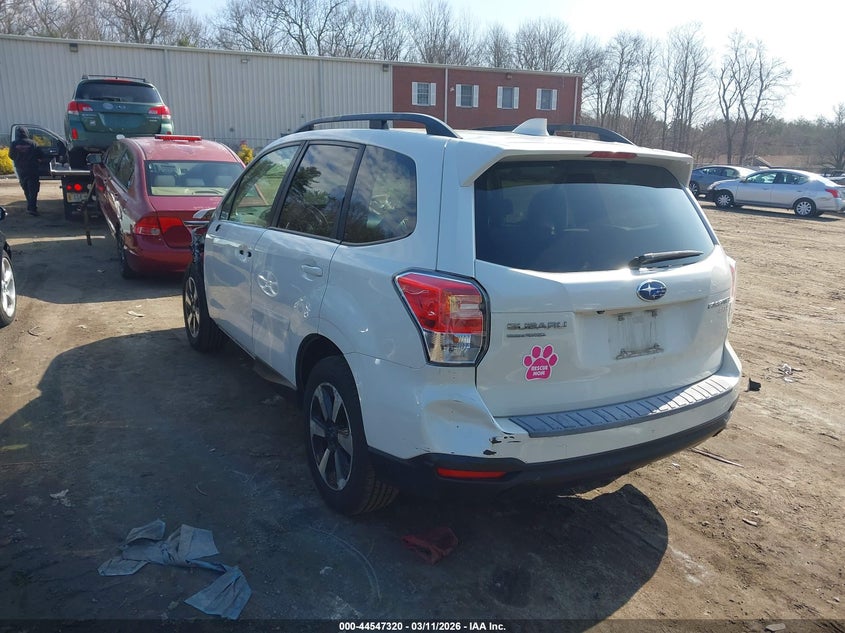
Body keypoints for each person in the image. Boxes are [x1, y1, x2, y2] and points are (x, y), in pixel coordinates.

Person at [9, 127, 46, 216]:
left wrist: (18, 160)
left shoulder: (14, 144)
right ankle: (32, 208)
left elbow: (11, 155)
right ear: (26, 133)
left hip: (21, 169)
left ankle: (30, 205)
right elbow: (40, 155)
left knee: (25, 188)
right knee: (33, 189)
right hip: (32, 169)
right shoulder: (33, 143)